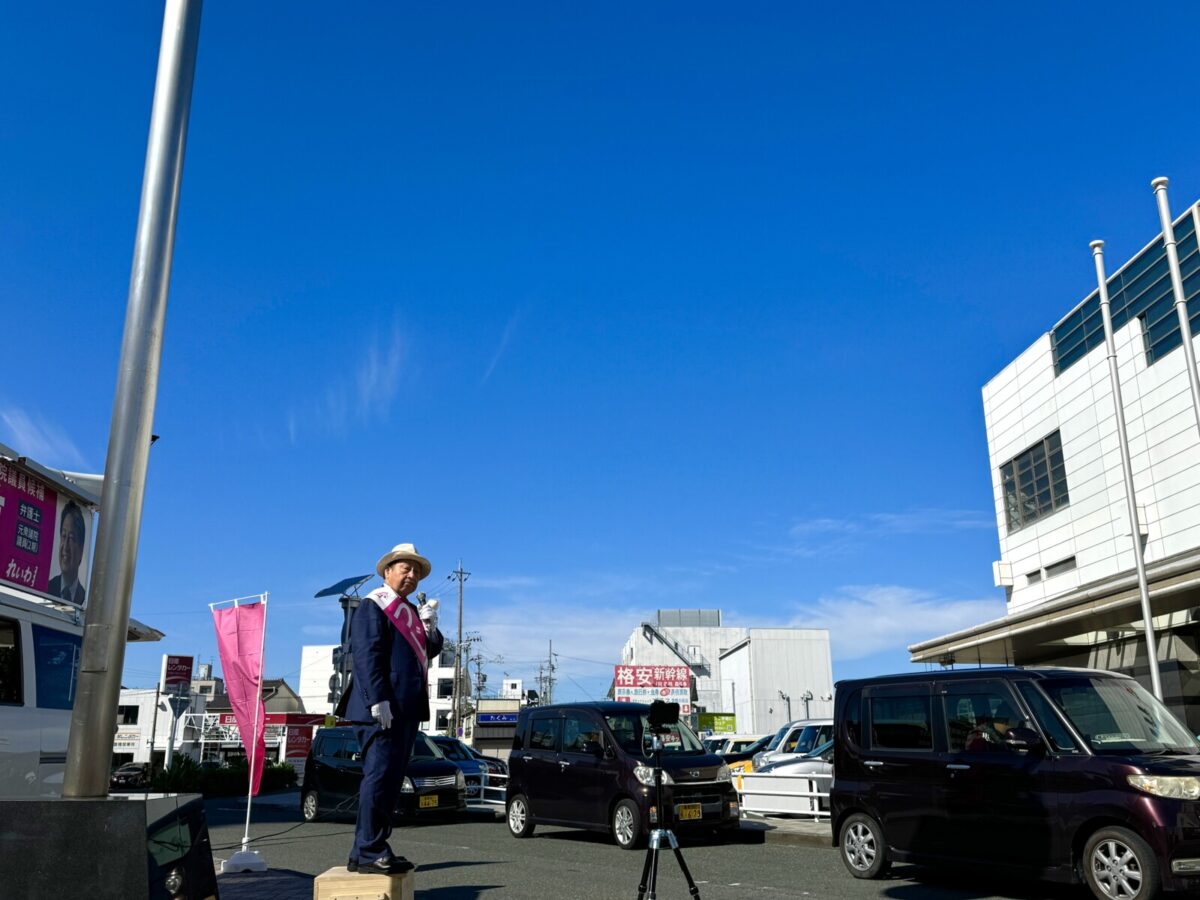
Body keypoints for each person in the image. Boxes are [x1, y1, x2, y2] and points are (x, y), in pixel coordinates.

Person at [334, 542, 443, 875]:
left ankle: (368, 848)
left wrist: (430, 626)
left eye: (416, 572)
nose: (410, 576)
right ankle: (369, 849)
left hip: (407, 707)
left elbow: (429, 650)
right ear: (387, 571)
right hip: (381, 706)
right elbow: (367, 655)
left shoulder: (409, 610)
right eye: (404, 568)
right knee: (379, 778)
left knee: (392, 780)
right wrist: (376, 698)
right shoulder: (374, 604)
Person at [47, 501, 86, 605]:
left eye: (72, 538)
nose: (65, 546)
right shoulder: (47, 589)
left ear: (81, 549)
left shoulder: (85, 599)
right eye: (64, 536)